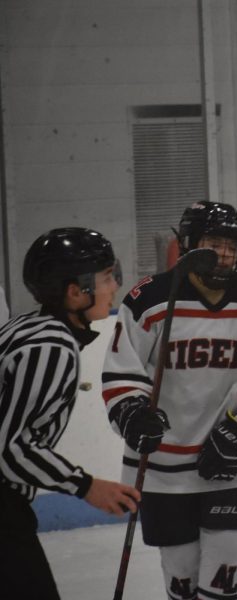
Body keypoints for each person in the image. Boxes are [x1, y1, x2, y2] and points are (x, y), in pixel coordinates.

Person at [102, 201, 237, 600]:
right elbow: (122, 371)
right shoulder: (149, 298)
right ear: (188, 244)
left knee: (226, 558)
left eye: (231, 245)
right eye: (212, 243)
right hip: (162, 467)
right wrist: (132, 413)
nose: (223, 254)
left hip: (232, 465)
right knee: (181, 572)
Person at [0, 228, 139, 599]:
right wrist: (86, 486)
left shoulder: (26, 328)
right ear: (75, 292)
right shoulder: (52, 346)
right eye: (106, 278)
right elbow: (11, 450)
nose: (114, 287)